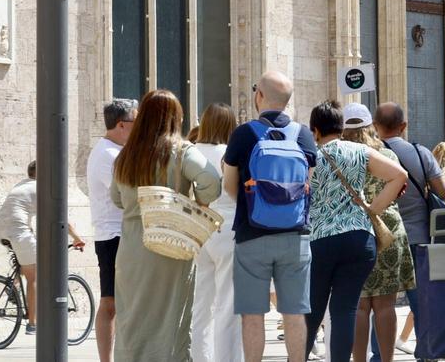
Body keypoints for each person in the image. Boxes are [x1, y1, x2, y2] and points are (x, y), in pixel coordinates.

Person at [110, 89, 222, 361]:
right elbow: (212, 182)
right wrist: (199, 202)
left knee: (131, 319)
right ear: (176, 118)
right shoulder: (181, 150)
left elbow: (117, 199)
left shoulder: (125, 156)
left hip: (132, 247)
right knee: (172, 319)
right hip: (170, 244)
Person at [223, 71, 319, 362]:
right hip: (295, 236)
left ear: (259, 95)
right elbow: (307, 184)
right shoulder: (303, 135)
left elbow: (229, 184)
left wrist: (257, 204)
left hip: (252, 235)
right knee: (294, 312)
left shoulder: (243, 134)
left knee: (252, 315)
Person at [305, 101, 407, 362]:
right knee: (345, 309)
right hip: (359, 238)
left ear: (315, 130)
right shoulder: (360, 151)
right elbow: (399, 175)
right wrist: (372, 209)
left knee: (313, 310)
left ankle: (300, 356)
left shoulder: (311, 156)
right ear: (340, 127)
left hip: (321, 239)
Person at [372, 101, 445, 355]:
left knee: (380, 300)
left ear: (375, 126)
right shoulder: (420, 153)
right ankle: (427, 352)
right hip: (417, 237)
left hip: (382, 237)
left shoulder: (371, 154)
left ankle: (379, 355)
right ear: (403, 126)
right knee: (421, 302)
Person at [342, 103, 417, 362]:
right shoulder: (388, 155)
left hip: (355, 229)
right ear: (369, 126)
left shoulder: (341, 155)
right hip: (387, 230)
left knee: (359, 305)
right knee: (385, 305)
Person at [0, 161, 87, 333]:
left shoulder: (21, 186)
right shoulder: (40, 189)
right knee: (34, 277)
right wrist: (77, 238)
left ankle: (13, 285)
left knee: (28, 260)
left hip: (0, 229)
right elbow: (61, 219)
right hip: (18, 231)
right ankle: (32, 324)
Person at [190, 103, 244, 362]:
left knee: (201, 303)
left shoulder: (190, 151)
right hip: (228, 227)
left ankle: (201, 357)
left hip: (199, 228)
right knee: (228, 302)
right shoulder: (228, 153)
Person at [87, 98, 137, 362]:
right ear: (121, 125)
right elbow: (127, 193)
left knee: (115, 301)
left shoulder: (111, 151)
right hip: (114, 235)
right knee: (112, 302)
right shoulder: (109, 155)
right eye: (135, 123)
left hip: (115, 233)